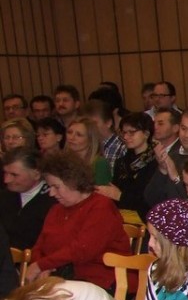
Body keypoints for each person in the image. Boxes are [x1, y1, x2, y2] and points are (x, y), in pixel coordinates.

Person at [28, 151, 129, 290]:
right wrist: (41, 267)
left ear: (73, 182)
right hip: (62, 278)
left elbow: (82, 250)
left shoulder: (101, 206)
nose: (51, 193)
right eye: (50, 187)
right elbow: (39, 246)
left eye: (56, 187)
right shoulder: (56, 210)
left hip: (100, 280)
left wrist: (41, 265)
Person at [100, 112, 157, 223]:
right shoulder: (121, 162)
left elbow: (150, 200)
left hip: (146, 220)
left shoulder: (155, 163)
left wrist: (120, 196)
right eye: (124, 133)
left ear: (146, 134)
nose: (126, 137)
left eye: (131, 132)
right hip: (122, 217)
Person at [1, 148, 53, 249]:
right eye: (5, 173)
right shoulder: (4, 196)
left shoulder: (53, 201)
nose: (6, 180)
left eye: (14, 175)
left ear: (36, 174)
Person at [64, 118, 112, 186]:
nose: (72, 137)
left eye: (79, 135)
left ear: (90, 140)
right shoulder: (63, 161)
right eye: (69, 132)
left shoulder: (99, 164)